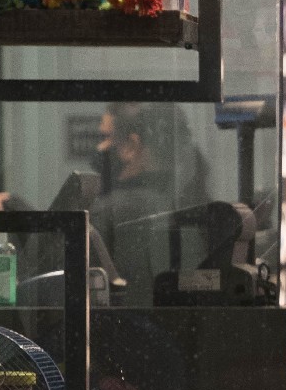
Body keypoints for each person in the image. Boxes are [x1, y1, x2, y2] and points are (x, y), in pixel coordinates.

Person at [90, 103, 213, 301]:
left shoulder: (108, 214)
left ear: (132, 146)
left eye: (107, 137)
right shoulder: (200, 207)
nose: (101, 147)